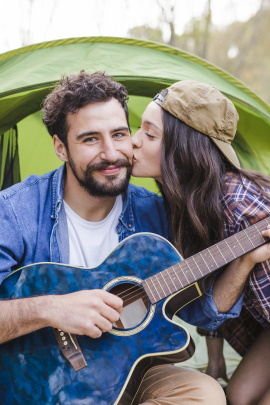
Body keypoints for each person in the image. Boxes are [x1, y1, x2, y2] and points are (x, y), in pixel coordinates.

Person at [0, 71, 226, 404]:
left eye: (119, 134)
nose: (111, 153)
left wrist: (247, 256)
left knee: (204, 393)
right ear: (61, 147)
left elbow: (201, 313)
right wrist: (52, 308)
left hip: (126, 372)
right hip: (34, 377)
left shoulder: (156, 214)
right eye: (90, 139)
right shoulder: (15, 211)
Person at [131, 80, 270, 405]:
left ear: (185, 151)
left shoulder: (238, 204)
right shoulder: (189, 205)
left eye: (150, 135)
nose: (134, 141)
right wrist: (216, 356)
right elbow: (207, 282)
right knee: (237, 396)